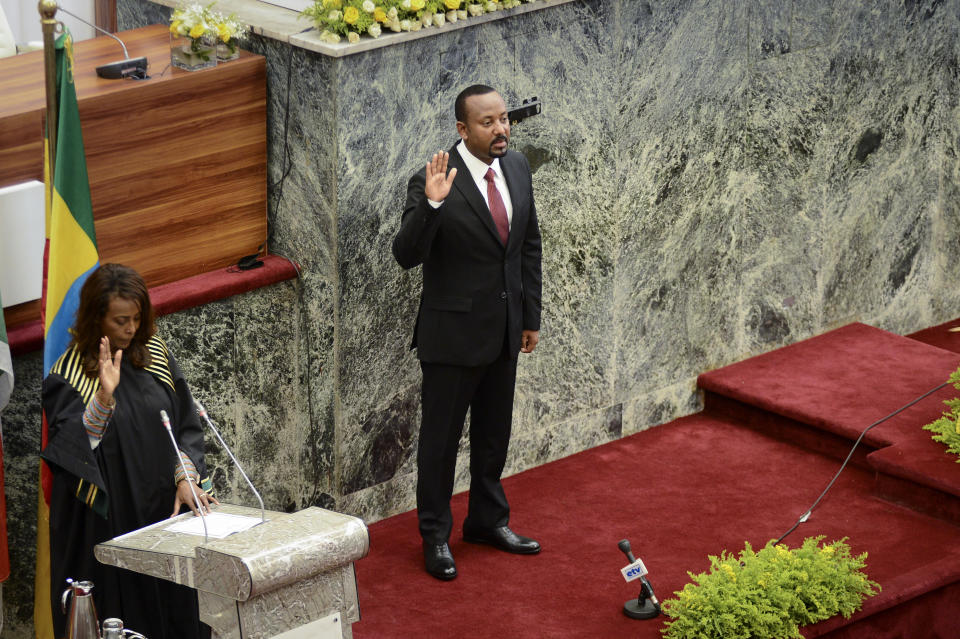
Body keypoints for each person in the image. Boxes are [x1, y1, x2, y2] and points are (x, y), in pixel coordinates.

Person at [393, 84, 543, 580]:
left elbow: (527, 248)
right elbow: (405, 254)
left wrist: (529, 317)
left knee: (493, 435)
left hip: (504, 331)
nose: (501, 129)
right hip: (452, 339)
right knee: (439, 445)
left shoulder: (517, 167)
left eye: (504, 120)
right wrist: (433, 207)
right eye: (488, 122)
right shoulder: (432, 179)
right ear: (462, 129)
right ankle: (435, 536)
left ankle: (486, 521)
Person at [42, 263, 217, 638]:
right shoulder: (66, 377)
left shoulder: (154, 355)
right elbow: (72, 456)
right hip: (110, 528)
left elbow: (184, 423)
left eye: (137, 317)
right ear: (96, 319)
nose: (131, 328)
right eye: (120, 320)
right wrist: (104, 396)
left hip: (166, 516)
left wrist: (186, 476)